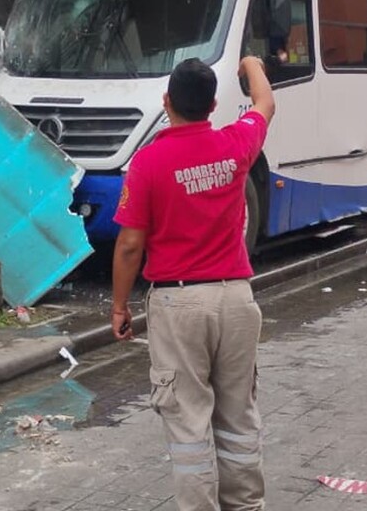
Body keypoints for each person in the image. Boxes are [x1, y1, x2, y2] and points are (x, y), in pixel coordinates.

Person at [110, 56, 276, 510]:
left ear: (167, 102)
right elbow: (265, 103)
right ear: (214, 105)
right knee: (239, 417)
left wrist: (120, 306)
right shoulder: (235, 142)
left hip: (179, 304)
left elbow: (130, 245)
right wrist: (251, 63)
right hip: (237, 299)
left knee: (189, 425)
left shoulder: (148, 162)